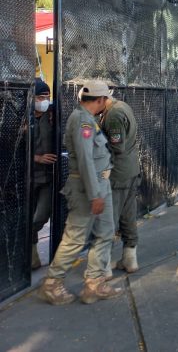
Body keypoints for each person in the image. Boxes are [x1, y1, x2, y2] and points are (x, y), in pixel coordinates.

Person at [39, 80, 121, 305]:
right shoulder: (82, 122)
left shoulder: (88, 120)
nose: (107, 102)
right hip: (88, 188)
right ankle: (52, 284)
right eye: (106, 99)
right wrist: (95, 194)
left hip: (100, 185)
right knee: (75, 238)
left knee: (105, 233)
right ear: (99, 100)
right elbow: (85, 160)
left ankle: (94, 284)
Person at [101, 93, 140, 274]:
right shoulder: (122, 106)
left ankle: (104, 267)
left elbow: (117, 146)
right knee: (128, 215)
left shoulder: (114, 114)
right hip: (130, 170)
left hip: (118, 173)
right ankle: (129, 259)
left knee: (110, 217)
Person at [31, 78, 57, 270]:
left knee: (41, 216)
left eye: (47, 96)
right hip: (29, 177)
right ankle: (31, 257)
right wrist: (36, 158)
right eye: (40, 96)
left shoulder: (53, 114)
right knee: (26, 217)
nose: (44, 100)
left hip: (48, 177)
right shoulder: (21, 117)